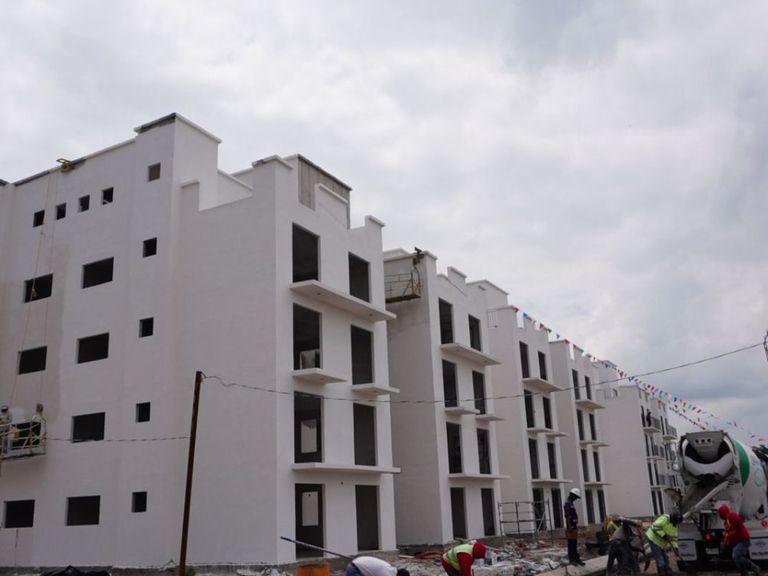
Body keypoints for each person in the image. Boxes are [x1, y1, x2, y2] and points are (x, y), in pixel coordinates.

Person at [718, 504, 761, 576]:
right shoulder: (726, 522)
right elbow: (727, 533)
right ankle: (744, 573)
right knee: (738, 558)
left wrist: (728, 536)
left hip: (743, 540)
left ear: (723, 513)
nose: (719, 516)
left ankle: (754, 567)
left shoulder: (732, 516)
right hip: (738, 541)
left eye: (720, 514)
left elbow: (738, 525)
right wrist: (723, 542)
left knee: (736, 556)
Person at [645, 512, 682, 576]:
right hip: (653, 539)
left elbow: (674, 538)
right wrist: (664, 535)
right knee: (660, 558)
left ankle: (667, 571)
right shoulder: (665, 518)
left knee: (665, 557)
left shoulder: (675, 526)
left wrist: (675, 548)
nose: (676, 524)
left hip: (661, 542)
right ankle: (662, 573)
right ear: (673, 519)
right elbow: (655, 527)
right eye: (676, 523)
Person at [564, 488, 585, 566]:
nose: (576, 499)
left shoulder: (571, 503)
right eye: (575, 497)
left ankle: (576, 559)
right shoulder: (567, 503)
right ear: (572, 495)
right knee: (571, 544)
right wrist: (569, 527)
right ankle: (572, 560)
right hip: (571, 527)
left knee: (574, 543)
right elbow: (567, 516)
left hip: (574, 525)